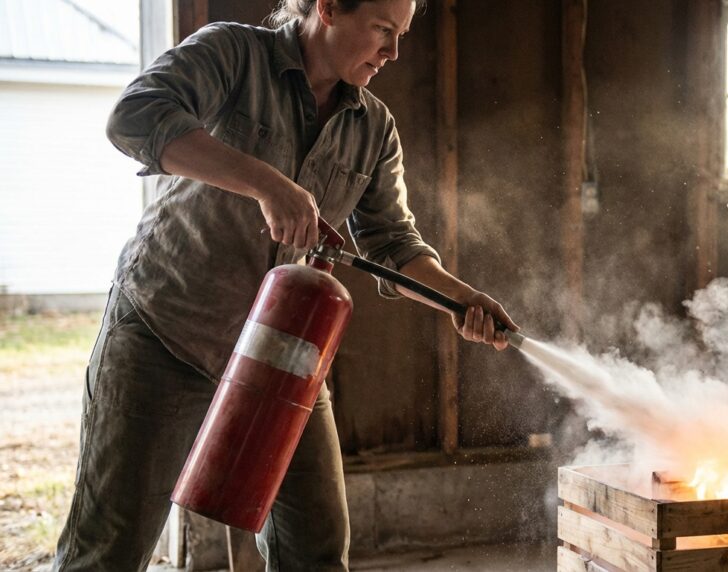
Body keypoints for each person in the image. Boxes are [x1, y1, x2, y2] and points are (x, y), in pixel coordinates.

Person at [52, 0, 517, 570]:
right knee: (108, 553)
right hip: (163, 333)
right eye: (381, 30)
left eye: (401, 35)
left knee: (316, 552)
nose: (393, 52)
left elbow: (393, 244)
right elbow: (134, 117)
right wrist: (265, 183)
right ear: (327, 8)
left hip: (283, 351)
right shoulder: (233, 53)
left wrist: (460, 298)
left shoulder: (373, 127)